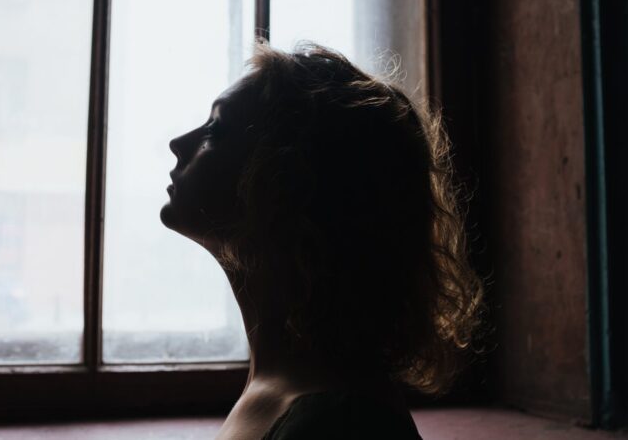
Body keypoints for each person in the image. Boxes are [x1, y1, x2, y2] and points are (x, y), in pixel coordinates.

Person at [160, 39, 486, 439]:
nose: (179, 144)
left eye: (217, 129)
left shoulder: (337, 423)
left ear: (285, 185)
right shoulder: (291, 388)